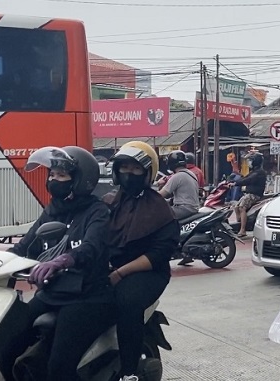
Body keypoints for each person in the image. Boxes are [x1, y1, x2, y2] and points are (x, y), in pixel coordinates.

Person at [0, 146, 114, 381]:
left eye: (61, 176)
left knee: (59, 367)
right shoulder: (53, 211)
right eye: (52, 175)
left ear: (80, 181)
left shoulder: (97, 211)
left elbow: (91, 247)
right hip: (52, 293)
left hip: (85, 297)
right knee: (6, 342)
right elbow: (24, 247)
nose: (53, 180)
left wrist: (63, 260)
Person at [107, 141, 180, 381]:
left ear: (147, 173)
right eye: (124, 168)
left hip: (147, 272)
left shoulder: (159, 208)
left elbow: (159, 254)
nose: (129, 174)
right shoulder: (109, 202)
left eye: (135, 169)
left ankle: (129, 371)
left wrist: (120, 273)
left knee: (127, 301)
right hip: (111, 267)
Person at [230, 152, 267, 238]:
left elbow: (248, 180)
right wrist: (232, 180)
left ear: (255, 161)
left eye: (250, 161)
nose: (249, 162)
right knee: (236, 207)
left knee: (242, 207)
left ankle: (243, 230)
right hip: (248, 194)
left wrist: (236, 184)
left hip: (254, 195)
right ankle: (241, 224)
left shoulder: (259, 172)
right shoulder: (254, 171)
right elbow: (245, 178)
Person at [158, 150, 201, 220]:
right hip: (193, 208)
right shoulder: (191, 174)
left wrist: (157, 185)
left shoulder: (177, 176)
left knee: (158, 216)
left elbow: (161, 195)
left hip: (184, 209)